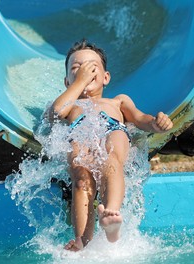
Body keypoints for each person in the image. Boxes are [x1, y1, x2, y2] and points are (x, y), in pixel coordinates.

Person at [46, 39, 173, 251]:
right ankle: (81, 241)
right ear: (67, 82)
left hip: (112, 128)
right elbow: (56, 113)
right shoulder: (70, 104)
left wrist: (156, 123)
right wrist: (80, 83)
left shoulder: (118, 101)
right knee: (81, 177)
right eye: (76, 69)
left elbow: (140, 118)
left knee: (111, 160)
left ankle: (111, 215)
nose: (84, 71)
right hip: (80, 131)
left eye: (91, 68)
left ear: (105, 78)